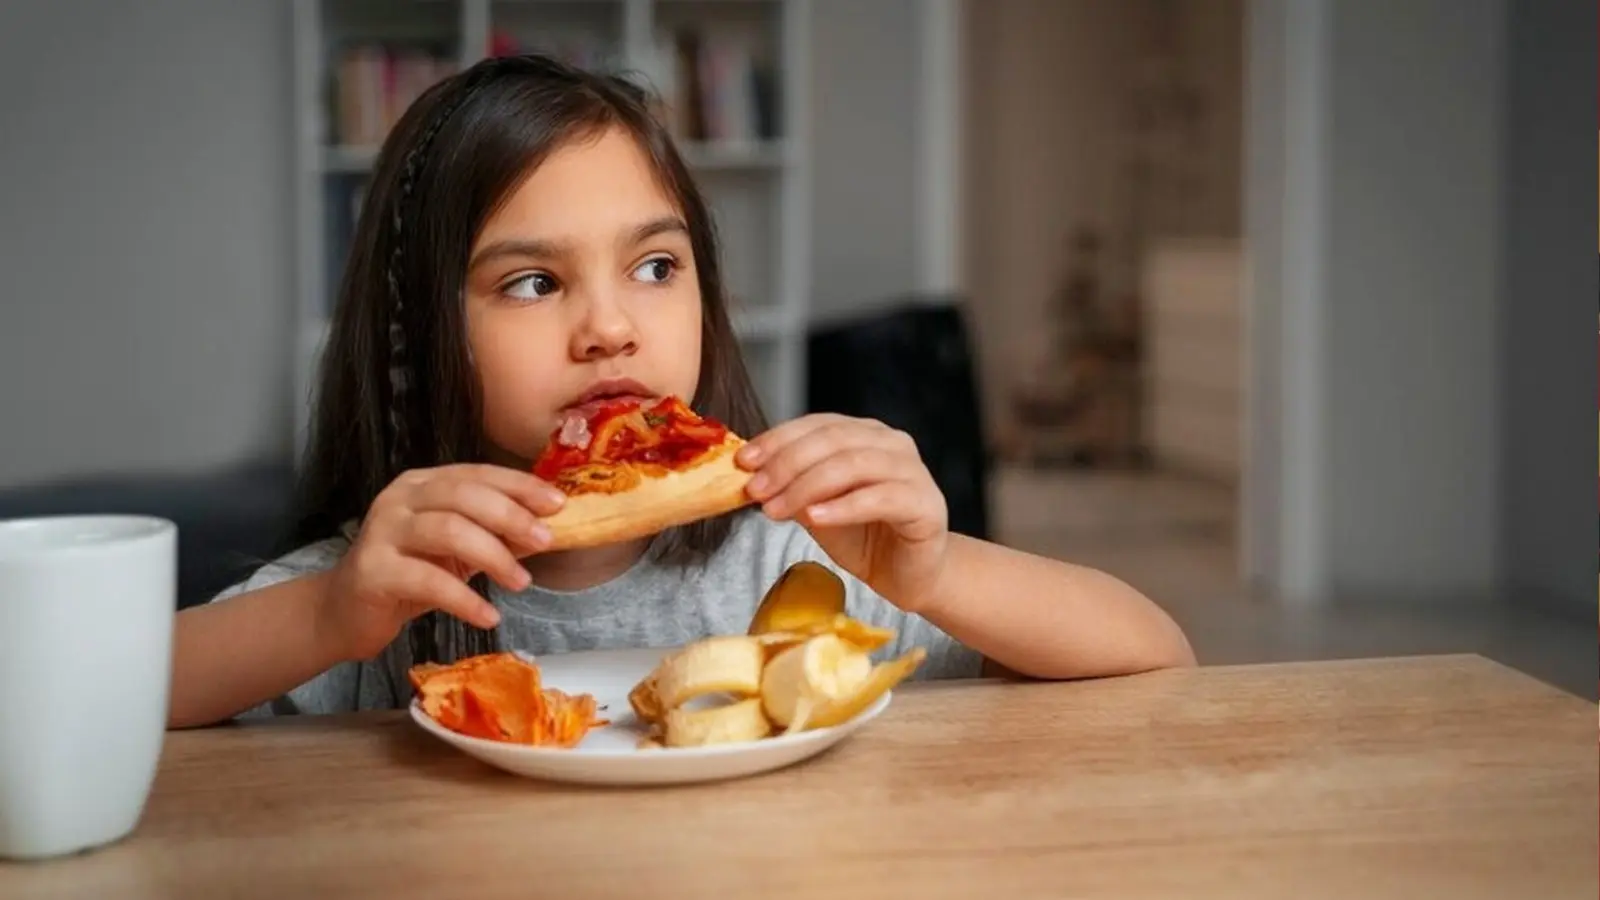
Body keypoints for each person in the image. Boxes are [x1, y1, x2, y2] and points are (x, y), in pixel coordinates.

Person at [169, 55, 1193, 729]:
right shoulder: (386, 584)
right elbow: (78, 708)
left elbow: (1155, 657)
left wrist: (931, 575)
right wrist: (328, 619)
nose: (611, 325)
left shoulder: (799, 559)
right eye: (532, 282)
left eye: (655, 267)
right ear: (418, 332)